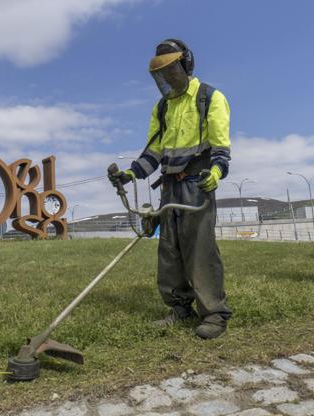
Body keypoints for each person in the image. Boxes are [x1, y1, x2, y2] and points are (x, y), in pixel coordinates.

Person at [109, 39, 232, 339]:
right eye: (162, 74)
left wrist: (217, 172)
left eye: (171, 70)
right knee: (169, 250)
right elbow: (155, 150)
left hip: (196, 183)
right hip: (169, 185)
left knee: (199, 248)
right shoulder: (163, 106)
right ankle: (179, 307)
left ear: (186, 64)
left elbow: (220, 144)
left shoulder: (209, 97)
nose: (167, 78)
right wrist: (131, 173)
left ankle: (215, 313)